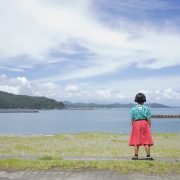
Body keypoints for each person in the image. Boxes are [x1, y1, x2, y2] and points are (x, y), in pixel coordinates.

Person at [129, 93, 154, 160]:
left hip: (136, 123)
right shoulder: (146, 108)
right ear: (144, 100)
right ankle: (148, 156)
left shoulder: (133, 108)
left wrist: (133, 126)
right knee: (146, 140)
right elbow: (149, 118)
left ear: (136, 100)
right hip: (144, 123)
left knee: (136, 140)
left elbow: (132, 118)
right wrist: (149, 126)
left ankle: (135, 156)